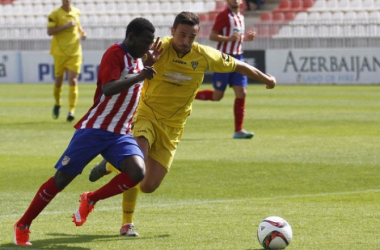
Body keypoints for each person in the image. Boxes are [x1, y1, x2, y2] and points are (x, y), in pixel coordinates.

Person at [87, 11, 276, 237]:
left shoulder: (204, 56)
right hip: (144, 114)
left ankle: (109, 165)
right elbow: (134, 61)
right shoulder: (159, 48)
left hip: (173, 127)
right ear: (172, 31)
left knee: (148, 185)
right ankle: (127, 222)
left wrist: (266, 79)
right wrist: (146, 60)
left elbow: (237, 65)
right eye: (182, 35)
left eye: (191, 37)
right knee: (136, 166)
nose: (186, 41)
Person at [13, 17, 161, 246]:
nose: (147, 48)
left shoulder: (140, 59)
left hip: (120, 132)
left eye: (149, 44)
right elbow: (108, 88)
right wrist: (140, 76)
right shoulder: (114, 53)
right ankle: (23, 224)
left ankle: (90, 199)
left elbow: (138, 74)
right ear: (131, 37)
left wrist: (147, 63)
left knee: (137, 171)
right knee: (61, 179)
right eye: (144, 43)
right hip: (96, 128)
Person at [195, 0, 257, 139]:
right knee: (218, 96)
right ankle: (191, 94)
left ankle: (238, 130)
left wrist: (246, 38)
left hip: (239, 58)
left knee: (242, 92)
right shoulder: (224, 15)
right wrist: (228, 39)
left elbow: (237, 38)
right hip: (223, 59)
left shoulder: (240, 16)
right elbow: (212, 36)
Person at [47, 0, 86, 122]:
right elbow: (49, 32)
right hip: (60, 53)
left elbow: (78, 26)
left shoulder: (77, 12)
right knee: (59, 82)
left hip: (75, 52)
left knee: (73, 81)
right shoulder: (54, 14)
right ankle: (58, 103)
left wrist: (82, 33)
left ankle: (71, 110)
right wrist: (65, 26)